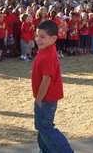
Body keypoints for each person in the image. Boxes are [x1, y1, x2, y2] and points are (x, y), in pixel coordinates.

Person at [32, 20, 74, 153]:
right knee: (41, 127)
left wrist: (39, 99)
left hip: (46, 98)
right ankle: (45, 150)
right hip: (43, 98)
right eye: (37, 36)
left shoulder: (49, 54)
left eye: (42, 37)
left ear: (54, 38)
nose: (38, 39)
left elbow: (46, 80)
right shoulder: (44, 50)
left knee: (46, 127)